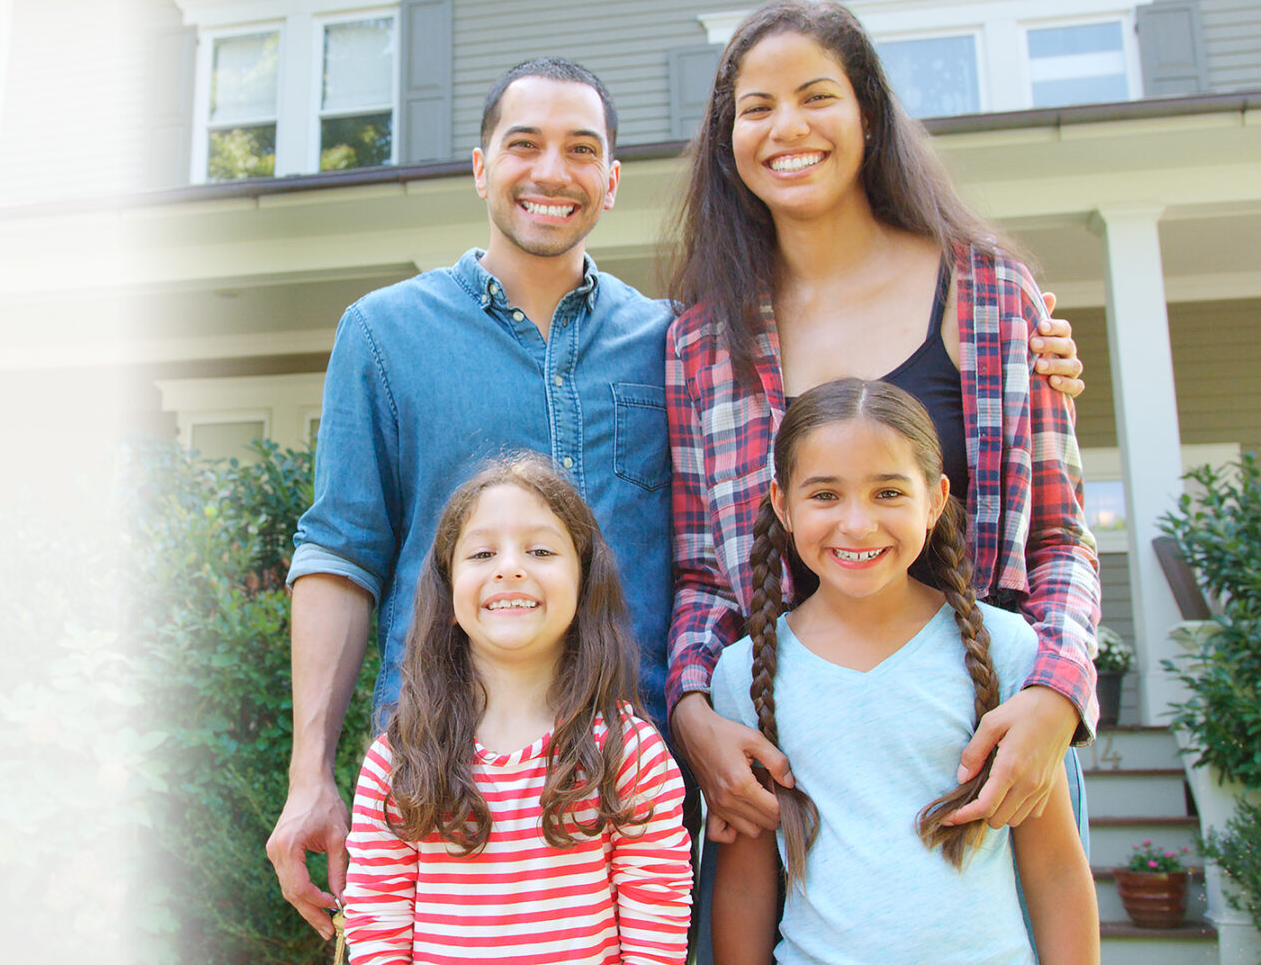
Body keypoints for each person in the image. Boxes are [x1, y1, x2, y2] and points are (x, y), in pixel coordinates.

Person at [267, 55, 1085, 942]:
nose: (551, 172)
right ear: (480, 166)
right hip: (442, 773)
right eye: (524, 145)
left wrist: (1029, 355)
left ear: (613, 180)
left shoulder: (677, 340)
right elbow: (339, 552)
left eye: (582, 149)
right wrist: (310, 774)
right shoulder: (385, 334)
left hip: (638, 784)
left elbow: (796, 473)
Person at [664, 0, 1102, 855]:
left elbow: (1060, 538)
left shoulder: (991, 296)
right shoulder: (701, 344)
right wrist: (693, 711)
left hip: (987, 754)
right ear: (727, 141)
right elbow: (703, 578)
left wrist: (1055, 695)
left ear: (868, 113)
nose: (787, 127)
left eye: (816, 96)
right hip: (796, 777)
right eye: (756, 107)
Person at [709, 378, 1098, 965]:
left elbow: (1056, 869)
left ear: (936, 500)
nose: (857, 524)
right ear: (782, 505)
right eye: (825, 495)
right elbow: (744, 885)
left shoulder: (1008, 649)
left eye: (888, 492)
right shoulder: (744, 673)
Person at [341, 455, 692, 964]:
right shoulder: (398, 760)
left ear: (584, 582)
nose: (509, 567)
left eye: (541, 550)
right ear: (447, 588)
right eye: (482, 553)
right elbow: (377, 927)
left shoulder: (629, 753)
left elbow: (656, 924)